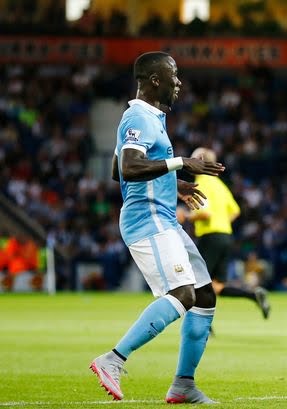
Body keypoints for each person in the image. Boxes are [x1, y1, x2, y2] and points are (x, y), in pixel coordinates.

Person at [89, 51, 225, 404]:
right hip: (146, 219)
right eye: (173, 75)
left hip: (163, 217)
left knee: (204, 296)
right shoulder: (139, 117)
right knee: (182, 293)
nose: (178, 82)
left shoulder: (149, 118)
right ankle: (113, 359)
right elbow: (129, 168)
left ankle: (183, 385)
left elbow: (117, 170)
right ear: (155, 80)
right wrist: (181, 163)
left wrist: (173, 184)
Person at [184, 147, 270, 320]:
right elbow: (235, 211)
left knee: (196, 281)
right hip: (225, 235)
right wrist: (222, 221)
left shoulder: (201, 182)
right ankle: (253, 295)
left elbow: (205, 213)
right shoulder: (219, 184)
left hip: (210, 236)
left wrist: (185, 216)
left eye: (192, 158)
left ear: (200, 160)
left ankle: (201, 325)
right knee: (216, 285)